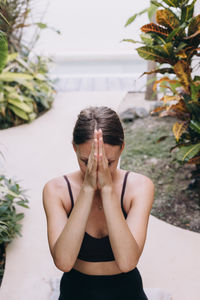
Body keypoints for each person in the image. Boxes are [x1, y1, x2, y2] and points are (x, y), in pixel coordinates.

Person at [42, 106, 155, 300]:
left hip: (126, 290)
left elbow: (128, 262)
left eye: (109, 162)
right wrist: (87, 189)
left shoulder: (140, 187)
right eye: (86, 161)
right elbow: (64, 262)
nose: (96, 169)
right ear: (74, 148)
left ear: (122, 148)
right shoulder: (56, 190)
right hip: (76, 290)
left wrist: (108, 190)